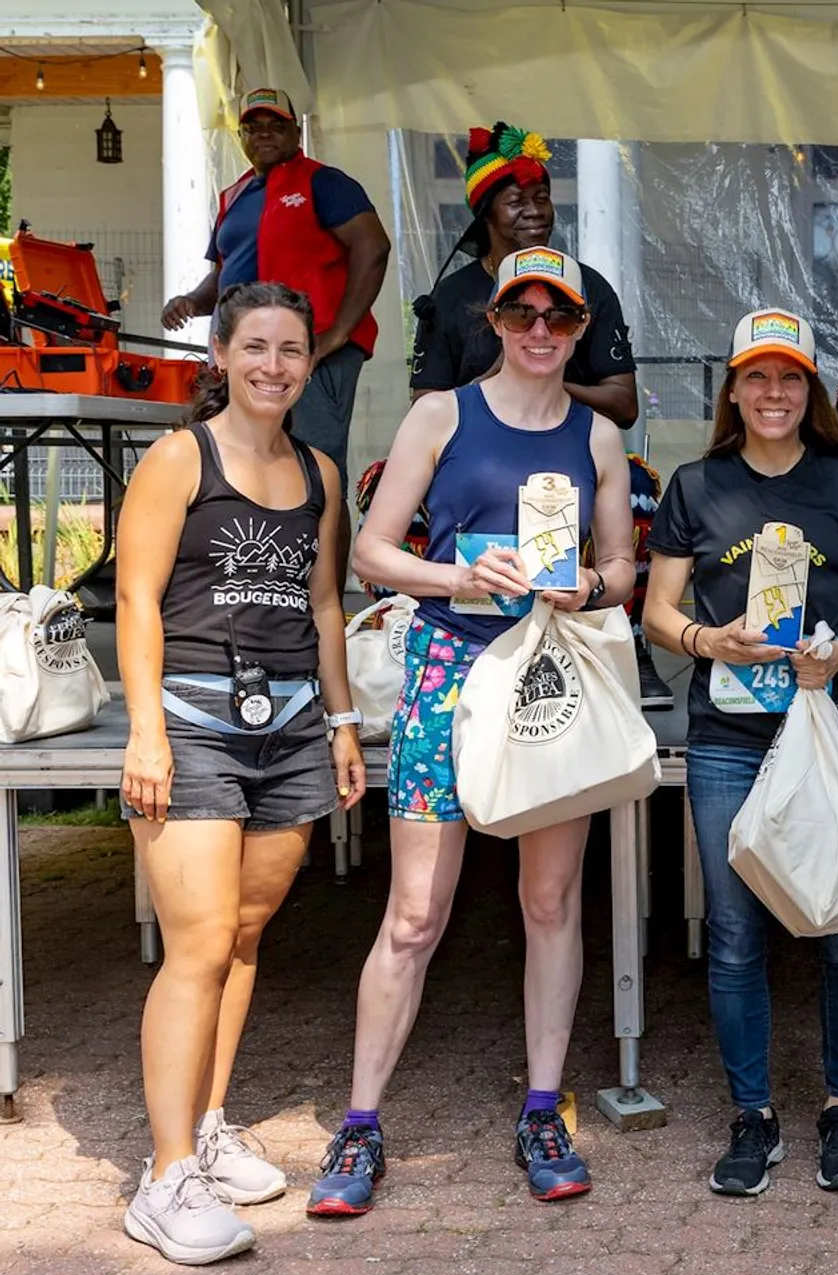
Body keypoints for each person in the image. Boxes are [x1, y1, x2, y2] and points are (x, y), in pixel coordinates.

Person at [310, 246, 637, 1214]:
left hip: (546, 670)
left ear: (580, 330)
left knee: (549, 900)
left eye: (560, 317)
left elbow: (622, 569)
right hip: (449, 668)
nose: (541, 330)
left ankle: (544, 1108)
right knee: (413, 913)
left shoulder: (599, 437)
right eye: (522, 312)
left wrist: (590, 583)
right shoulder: (441, 414)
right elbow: (371, 550)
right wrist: (457, 577)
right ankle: (360, 1123)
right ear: (492, 320)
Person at [116, 281, 367, 1264]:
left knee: (246, 933)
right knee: (199, 940)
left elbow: (328, 609)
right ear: (219, 355)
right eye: (255, 346)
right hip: (191, 723)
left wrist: (343, 723)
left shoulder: (321, 471)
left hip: (294, 724)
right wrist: (146, 731)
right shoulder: (183, 458)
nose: (273, 365)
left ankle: (209, 1126)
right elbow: (137, 602)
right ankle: (165, 1175)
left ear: (311, 362)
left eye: (292, 349)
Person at [643, 308, 838, 1197]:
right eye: (757, 376)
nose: (774, 393)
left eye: (790, 376)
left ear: (810, 389)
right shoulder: (694, 486)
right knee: (734, 933)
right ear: (734, 389)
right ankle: (752, 1115)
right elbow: (657, 613)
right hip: (728, 739)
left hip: (831, 721)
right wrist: (709, 641)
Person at [406, 120, 669, 706]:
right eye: (516, 199)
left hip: (564, 455)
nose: (535, 210)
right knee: (385, 492)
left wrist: (543, 397)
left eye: (543, 196)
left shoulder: (589, 288)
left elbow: (623, 402)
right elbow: (424, 402)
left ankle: (630, 638)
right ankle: (404, 624)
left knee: (640, 490)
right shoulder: (449, 299)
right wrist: (496, 398)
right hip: (471, 456)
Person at [162, 88, 390, 506]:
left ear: (295, 131)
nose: (264, 135)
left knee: (315, 467)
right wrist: (191, 302)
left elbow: (372, 247)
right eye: (253, 127)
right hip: (249, 352)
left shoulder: (324, 182)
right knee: (249, 464)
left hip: (312, 350)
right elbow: (224, 272)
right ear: (242, 136)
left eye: (276, 125)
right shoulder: (235, 194)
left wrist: (339, 331)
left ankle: (325, 574)